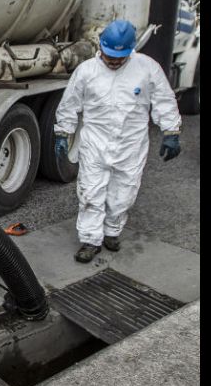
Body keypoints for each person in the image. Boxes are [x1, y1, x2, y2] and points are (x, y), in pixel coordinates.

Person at [54, 19, 182, 264]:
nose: (113, 62)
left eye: (119, 58)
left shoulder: (147, 69)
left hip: (131, 145)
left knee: (123, 194)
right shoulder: (87, 71)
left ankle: (112, 231)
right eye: (109, 56)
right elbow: (69, 104)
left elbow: (164, 100)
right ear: (100, 48)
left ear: (130, 51)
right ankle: (91, 240)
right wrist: (62, 133)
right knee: (91, 193)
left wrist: (171, 132)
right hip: (95, 143)